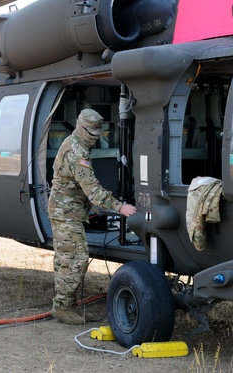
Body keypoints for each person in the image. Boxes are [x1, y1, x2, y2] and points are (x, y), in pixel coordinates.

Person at [48, 108, 136, 324]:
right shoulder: (76, 151)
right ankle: (63, 308)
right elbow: (92, 189)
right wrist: (120, 207)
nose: (95, 139)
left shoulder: (75, 144)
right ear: (82, 128)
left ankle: (66, 305)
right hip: (65, 212)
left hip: (68, 210)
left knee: (65, 259)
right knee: (76, 259)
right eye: (92, 134)